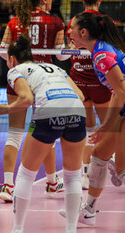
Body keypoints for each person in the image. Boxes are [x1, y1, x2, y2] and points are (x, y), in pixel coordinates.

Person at [0, 34, 86, 233]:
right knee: (73, 176)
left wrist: (7, 108)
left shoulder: (15, 70)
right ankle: (71, 229)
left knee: (26, 173)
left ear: (12, 59)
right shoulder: (56, 68)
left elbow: (26, 99)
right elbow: (80, 95)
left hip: (49, 113)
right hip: (77, 113)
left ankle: (18, 229)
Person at [59, 12, 125, 226]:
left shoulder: (101, 56)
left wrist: (108, 125)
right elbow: (117, 93)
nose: (69, 33)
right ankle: (88, 210)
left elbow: (122, 91)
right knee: (98, 156)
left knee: (122, 170)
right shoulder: (99, 52)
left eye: (72, 29)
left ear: (83, 32)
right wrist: (106, 126)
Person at [0, 0, 67, 203]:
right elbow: (62, 56)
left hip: (18, 76)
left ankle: (8, 186)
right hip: (44, 80)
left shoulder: (14, 21)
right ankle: (52, 183)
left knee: (14, 134)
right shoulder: (55, 21)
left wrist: (18, 60)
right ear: (44, 0)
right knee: (48, 133)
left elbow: (3, 51)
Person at [65, 0, 111, 189]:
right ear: (100, 1)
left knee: (86, 130)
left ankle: (85, 174)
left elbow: (68, 48)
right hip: (100, 78)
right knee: (110, 128)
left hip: (79, 80)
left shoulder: (74, 21)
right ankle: (113, 163)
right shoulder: (105, 20)